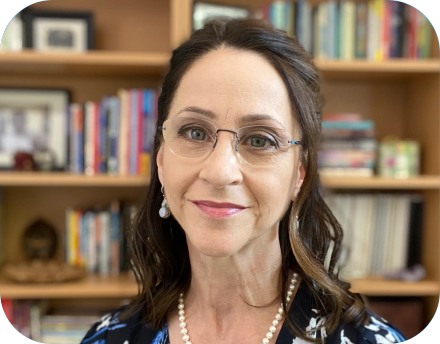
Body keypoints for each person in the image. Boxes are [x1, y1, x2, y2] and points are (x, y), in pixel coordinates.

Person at [80, 18, 406, 344]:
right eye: (195, 132)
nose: (220, 172)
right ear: (162, 160)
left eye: (260, 140)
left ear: (299, 173)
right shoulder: (107, 338)